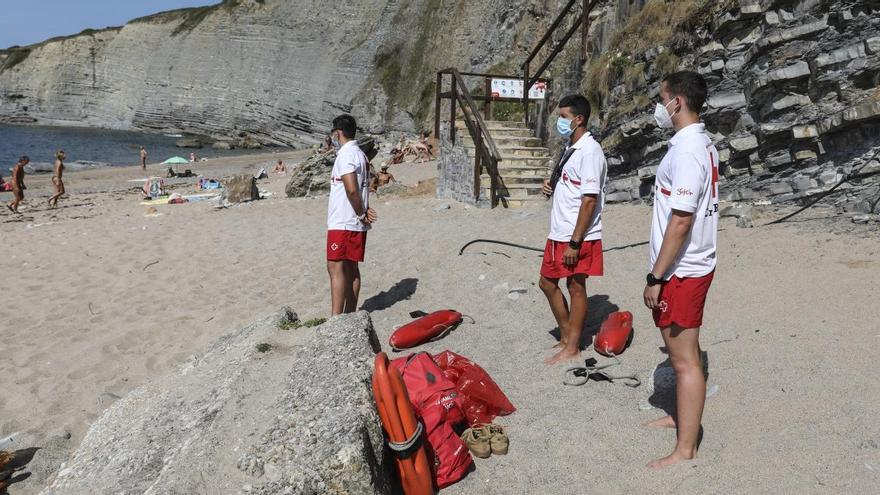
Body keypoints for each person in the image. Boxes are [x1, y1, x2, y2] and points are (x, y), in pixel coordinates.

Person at [642, 71, 719, 469]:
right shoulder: (700, 143)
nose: (660, 106)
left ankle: (685, 448)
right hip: (688, 265)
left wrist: (656, 276)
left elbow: (681, 221)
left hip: (683, 270)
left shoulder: (688, 150)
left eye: (662, 98)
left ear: (678, 102)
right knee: (682, 354)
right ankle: (679, 418)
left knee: (685, 359)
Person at [539, 95, 607, 365]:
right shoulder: (571, 146)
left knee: (576, 286)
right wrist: (552, 185)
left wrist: (575, 242)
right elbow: (573, 184)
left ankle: (572, 346)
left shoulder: (590, 151)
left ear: (579, 119)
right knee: (546, 282)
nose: (560, 121)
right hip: (559, 230)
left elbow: (590, 199)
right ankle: (568, 335)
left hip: (577, 235)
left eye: (564, 117)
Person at [326, 114, 377, 315]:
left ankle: (336, 320)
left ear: (338, 133)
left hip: (345, 221)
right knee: (351, 268)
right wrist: (363, 212)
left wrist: (361, 212)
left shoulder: (346, 155)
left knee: (335, 267)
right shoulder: (361, 155)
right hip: (354, 222)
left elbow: (352, 189)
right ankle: (349, 314)